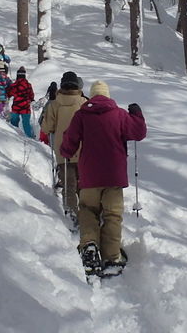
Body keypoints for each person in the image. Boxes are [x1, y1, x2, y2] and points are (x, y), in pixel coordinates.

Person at [60, 80, 147, 275]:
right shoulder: (120, 115)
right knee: (112, 215)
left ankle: (90, 244)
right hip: (114, 175)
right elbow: (139, 133)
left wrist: (65, 151)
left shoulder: (81, 115)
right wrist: (137, 114)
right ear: (107, 96)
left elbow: (69, 144)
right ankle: (112, 257)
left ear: (92, 95)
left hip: (89, 175)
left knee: (88, 211)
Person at [41, 71, 87, 225]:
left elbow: (47, 128)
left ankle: (72, 216)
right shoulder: (84, 103)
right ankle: (88, 216)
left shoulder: (54, 104)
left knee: (68, 185)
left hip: (63, 151)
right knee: (84, 184)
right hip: (83, 150)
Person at [5, 67, 36, 137]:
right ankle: (30, 138)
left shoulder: (14, 85)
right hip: (26, 107)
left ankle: (15, 137)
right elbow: (31, 96)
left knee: (14, 123)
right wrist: (31, 100)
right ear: (24, 75)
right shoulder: (28, 85)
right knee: (26, 124)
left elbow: (9, 94)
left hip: (16, 106)